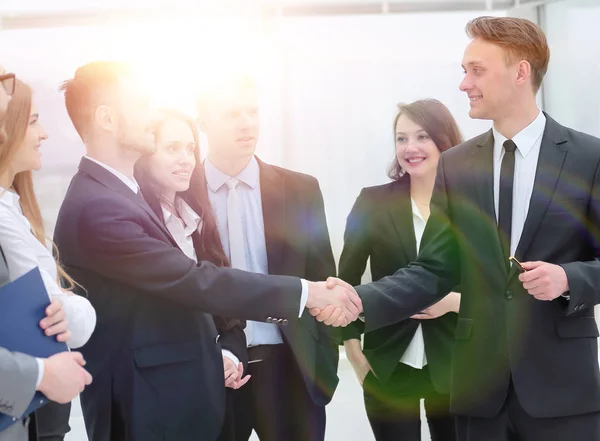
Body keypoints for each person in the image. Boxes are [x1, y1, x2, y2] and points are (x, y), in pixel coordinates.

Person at [324, 16, 600, 441]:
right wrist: (358, 300)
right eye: (463, 71)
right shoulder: (457, 165)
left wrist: (570, 277)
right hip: (478, 394)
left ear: (520, 71)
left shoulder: (588, 157)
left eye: (477, 70)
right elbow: (433, 269)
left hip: (561, 390)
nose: (464, 84)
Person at [53, 61, 359, 441]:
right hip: (143, 405)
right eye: (140, 105)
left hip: (199, 389)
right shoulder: (100, 206)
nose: (151, 118)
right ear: (107, 119)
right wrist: (305, 291)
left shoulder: (121, 194)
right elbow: (191, 281)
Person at [196, 74, 339, 441]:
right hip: (215, 368)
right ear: (203, 121)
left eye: (252, 111)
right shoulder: (182, 193)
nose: (247, 122)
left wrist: (324, 362)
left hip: (290, 365)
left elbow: (324, 278)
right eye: (231, 114)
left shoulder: (301, 189)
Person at [340, 99, 461, 441]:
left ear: (444, 140)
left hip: (456, 364)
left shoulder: (471, 203)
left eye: (422, 137)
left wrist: (452, 302)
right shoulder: (372, 202)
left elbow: (494, 280)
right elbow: (346, 279)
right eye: (401, 138)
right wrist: (353, 352)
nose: (410, 148)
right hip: (386, 363)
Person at [134, 108, 251, 440]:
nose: (186, 159)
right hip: (165, 407)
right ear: (144, 154)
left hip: (217, 404)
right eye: (172, 148)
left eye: (190, 149)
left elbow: (228, 317)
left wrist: (227, 356)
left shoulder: (197, 223)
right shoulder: (138, 229)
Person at [0, 68, 92, 441]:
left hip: (33, 414)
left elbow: (73, 317)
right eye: (31, 120)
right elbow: (68, 315)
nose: (43, 133)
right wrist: (41, 374)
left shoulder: (16, 210)